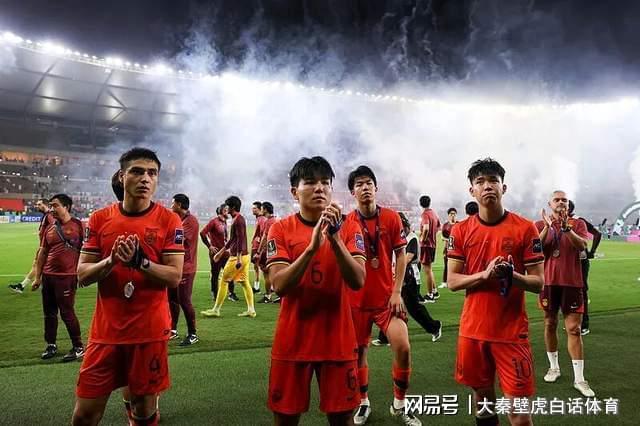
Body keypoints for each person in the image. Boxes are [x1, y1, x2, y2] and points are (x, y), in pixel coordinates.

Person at [72, 148, 184, 426]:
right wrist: (111, 261)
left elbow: (174, 276)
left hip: (149, 333)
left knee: (143, 411)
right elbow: (82, 275)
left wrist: (141, 263)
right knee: (84, 415)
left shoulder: (169, 220)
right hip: (106, 333)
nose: (145, 178)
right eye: (137, 171)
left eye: (152, 173)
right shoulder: (99, 219)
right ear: (122, 177)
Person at [266, 156, 365, 426]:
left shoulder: (349, 227)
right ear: (294, 191)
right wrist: (310, 250)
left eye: (325, 182)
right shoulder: (280, 229)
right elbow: (279, 285)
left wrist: (335, 240)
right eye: (310, 182)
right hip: (292, 341)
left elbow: (358, 280)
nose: (319, 188)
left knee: (342, 419)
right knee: (285, 418)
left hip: (338, 341)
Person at [447, 158, 544, 426]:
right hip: (473, 331)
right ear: (472, 191)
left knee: (519, 414)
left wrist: (511, 276)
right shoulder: (460, 230)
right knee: (483, 403)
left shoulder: (525, 228)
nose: (487, 186)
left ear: (504, 188)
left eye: (493, 181)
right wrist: (485, 275)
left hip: (511, 334)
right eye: (480, 182)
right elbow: (452, 281)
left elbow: (539, 283)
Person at [346, 166, 421, 426]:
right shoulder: (347, 223)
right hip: (356, 301)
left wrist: (397, 292)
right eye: (359, 184)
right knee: (358, 354)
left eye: (368, 183)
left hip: (386, 300)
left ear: (376, 188)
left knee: (403, 347)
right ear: (352, 192)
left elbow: (401, 255)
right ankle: (363, 402)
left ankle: (399, 404)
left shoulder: (390, 218)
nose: (365, 187)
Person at [536, 191, 595, 398]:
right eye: (557, 199)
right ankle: (554, 367)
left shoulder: (577, 224)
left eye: (564, 200)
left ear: (568, 205)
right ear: (550, 204)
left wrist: (566, 229)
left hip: (572, 282)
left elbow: (582, 246)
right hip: (549, 283)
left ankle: (579, 379)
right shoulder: (540, 224)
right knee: (550, 323)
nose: (561, 202)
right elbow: (536, 248)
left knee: (574, 329)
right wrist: (547, 228)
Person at [371, 212, 442, 347]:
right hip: (397, 275)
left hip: (410, 277)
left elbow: (407, 258)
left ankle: (434, 327)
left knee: (413, 307)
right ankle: (385, 336)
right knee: (390, 304)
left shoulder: (411, 238)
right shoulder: (396, 237)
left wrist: (394, 269)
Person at [32, 194, 84, 362]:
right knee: (49, 313)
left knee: (67, 312)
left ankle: (78, 347)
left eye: (55, 205)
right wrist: (38, 277)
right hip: (48, 277)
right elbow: (43, 253)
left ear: (66, 207)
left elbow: (87, 250)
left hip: (66, 277)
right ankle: (51, 345)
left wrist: (83, 273)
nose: (52, 209)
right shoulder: (50, 228)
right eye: (51, 206)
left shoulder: (79, 225)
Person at [203, 195, 256, 318]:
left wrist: (238, 258)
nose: (226, 208)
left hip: (237, 257)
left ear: (233, 207)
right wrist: (220, 252)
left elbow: (240, 240)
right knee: (244, 282)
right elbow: (232, 239)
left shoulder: (238, 220)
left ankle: (216, 310)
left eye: (227, 206)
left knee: (223, 280)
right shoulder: (237, 219)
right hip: (244, 256)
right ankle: (251, 310)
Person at [169, 193, 199, 346]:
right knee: (172, 298)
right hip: (176, 265)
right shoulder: (180, 220)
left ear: (179, 205)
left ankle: (193, 334)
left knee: (184, 300)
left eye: (173, 203)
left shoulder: (190, 221)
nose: (171, 206)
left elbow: (177, 240)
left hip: (186, 267)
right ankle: (172, 330)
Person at [568, 200, 602, 335]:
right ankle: (573, 322)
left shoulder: (579, 221)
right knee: (569, 291)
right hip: (566, 262)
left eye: (563, 205)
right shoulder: (558, 221)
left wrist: (592, 252)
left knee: (581, 291)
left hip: (580, 261)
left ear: (568, 209)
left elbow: (597, 233)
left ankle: (584, 324)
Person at [8, 198, 55, 293]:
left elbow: (54, 228)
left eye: (39, 204)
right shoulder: (46, 215)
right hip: (44, 246)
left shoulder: (49, 215)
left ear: (45, 205)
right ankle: (22, 286)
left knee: (39, 266)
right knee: (37, 265)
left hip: (46, 247)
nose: (37, 206)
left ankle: (24, 285)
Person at [200, 204, 229, 305]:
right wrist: (210, 246)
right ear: (221, 211)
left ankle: (231, 293)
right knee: (215, 274)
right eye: (226, 210)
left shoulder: (225, 222)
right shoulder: (214, 221)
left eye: (228, 210)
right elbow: (202, 233)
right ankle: (215, 293)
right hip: (216, 253)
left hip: (225, 252)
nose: (228, 212)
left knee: (228, 273)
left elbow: (224, 237)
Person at [256, 202, 279, 304]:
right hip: (276, 248)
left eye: (261, 208)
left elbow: (265, 237)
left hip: (269, 248)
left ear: (265, 210)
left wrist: (258, 251)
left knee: (266, 273)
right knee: (275, 272)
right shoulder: (276, 220)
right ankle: (280, 295)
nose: (260, 210)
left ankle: (268, 296)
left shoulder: (268, 221)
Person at [419, 195, 440, 303]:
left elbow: (426, 228)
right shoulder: (434, 214)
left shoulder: (425, 214)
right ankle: (435, 292)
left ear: (420, 203)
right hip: (433, 244)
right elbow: (438, 227)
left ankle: (430, 294)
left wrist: (422, 238)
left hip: (426, 245)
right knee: (429, 269)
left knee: (427, 270)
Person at [251, 201, 267, 293]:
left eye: (254, 208)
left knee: (260, 266)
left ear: (259, 209)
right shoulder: (258, 218)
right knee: (258, 266)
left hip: (258, 246)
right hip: (256, 246)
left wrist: (258, 242)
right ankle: (258, 286)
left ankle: (258, 287)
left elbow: (264, 233)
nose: (252, 210)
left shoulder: (262, 219)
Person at [439, 207, 458, 289]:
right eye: (451, 214)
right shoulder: (445, 225)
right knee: (446, 265)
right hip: (448, 248)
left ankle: (457, 281)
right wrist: (449, 240)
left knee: (457, 265)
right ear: (448, 215)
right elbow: (442, 237)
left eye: (454, 214)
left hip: (457, 249)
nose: (453, 215)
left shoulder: (459, 224)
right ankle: (444, 282)